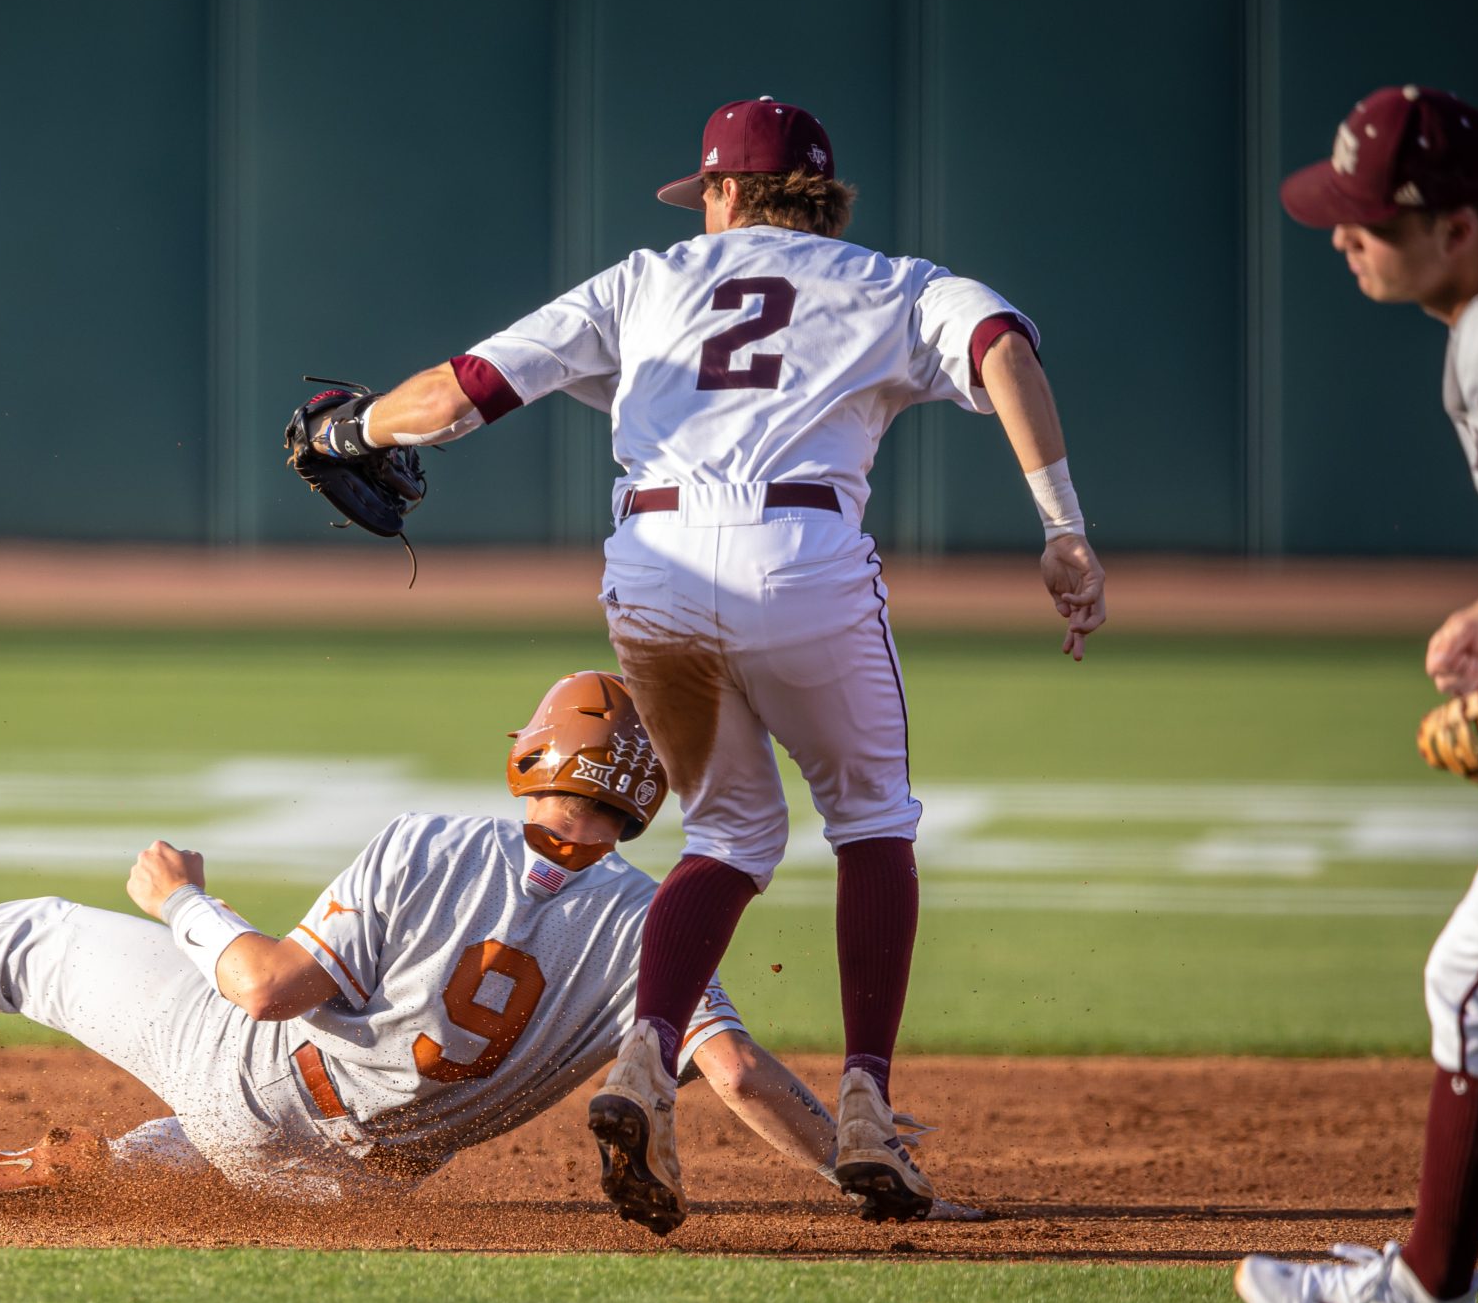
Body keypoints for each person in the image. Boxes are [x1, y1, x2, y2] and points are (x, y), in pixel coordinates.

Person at [287, 97, 1104, 1228]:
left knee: (727, 834)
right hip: (803, 554)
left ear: (722, 194)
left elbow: (460, 394)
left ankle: (643, 1058)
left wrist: (354, 429)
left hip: (653, 563)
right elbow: (1001, 348)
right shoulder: (893, 281)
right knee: (868, 821)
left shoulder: (648, 278)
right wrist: (1059, 527)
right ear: (822, 200)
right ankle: (865, 1106)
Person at [0, 670, 975, 1223]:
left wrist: (181, 898)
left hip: (252, 1077)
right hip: (355, 1183)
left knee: (30, 937)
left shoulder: (435, 841)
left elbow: (269, 983)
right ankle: (37, 1175)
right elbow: (736, 1076)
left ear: (530, 758)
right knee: (221, 1145)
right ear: (645, 801)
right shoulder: (655, 923)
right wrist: (858, 1164)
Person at [1235, 86, 1478, 1303]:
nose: (1343, 235)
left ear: (1456, 228)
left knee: (1471, 982)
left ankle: (1421, 1299)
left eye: (1370, 217)